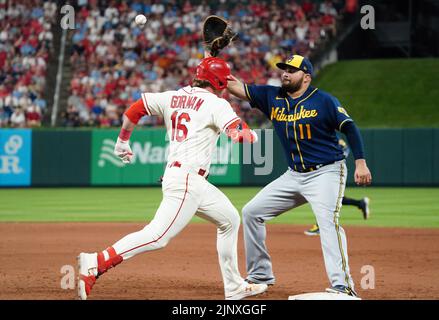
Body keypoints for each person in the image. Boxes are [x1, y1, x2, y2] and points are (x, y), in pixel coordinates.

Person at [77, 57, 268, 300]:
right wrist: (251, 135)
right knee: (157, 236)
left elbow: (135, 109)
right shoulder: (216, 104)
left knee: (230, 220)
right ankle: (96, 262)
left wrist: (122, 140)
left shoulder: (172, 97)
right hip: (188, 179)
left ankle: (234, 286)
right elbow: (237, 135)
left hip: (188, 179)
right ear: (220, 81)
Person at [227, 54, 372, 297]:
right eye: (283, 69)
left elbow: (349, 127)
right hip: (294, 175)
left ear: (306, 77)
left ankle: (344, 287)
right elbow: (235, 86)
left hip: (327, 171)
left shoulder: (323, 100)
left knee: (327, 223)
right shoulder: (271, 96)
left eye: (291, 70)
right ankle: (260, 275)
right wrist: (212, 62)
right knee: (252, 212)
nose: (285, 73)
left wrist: (361, 162)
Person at [304, 138, 370, 236]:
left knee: (324, 198)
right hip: (326, 171)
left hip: (332, 171)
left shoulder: (333, 138)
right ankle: (360, 203)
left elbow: (345, 151)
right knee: (332, 198)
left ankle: (320, 226)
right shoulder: (328, 137)